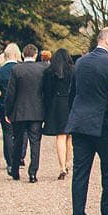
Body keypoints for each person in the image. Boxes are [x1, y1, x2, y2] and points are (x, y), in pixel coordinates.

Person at [64, 28, 108, 215]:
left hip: (81, 123)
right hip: (105, 125)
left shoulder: (81, 62)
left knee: (80, 174)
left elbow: (72, 93)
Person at [3, 44, 49, 182]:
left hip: (20, 110)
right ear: (35, 55)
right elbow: (46, 92)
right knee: (35, 142)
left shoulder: (16, 69)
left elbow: (11, 93)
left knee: (18, 141)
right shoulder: (43, 69)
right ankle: (33, 173)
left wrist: (8, 111)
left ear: (23, 55)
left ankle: (15, 170)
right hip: (37, 111)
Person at [41, 47, 76, 181]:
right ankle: (68, 163)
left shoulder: (49, 72)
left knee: (60, 136)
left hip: (56, 104)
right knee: (69, 137)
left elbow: (46, 92)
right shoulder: (73, 71)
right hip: (70, 103)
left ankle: (61, 166)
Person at [0, 42, 21, 164]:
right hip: (21, 105)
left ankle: (10, 161)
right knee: (21, 133)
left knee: (8, 134)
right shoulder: (23, 69)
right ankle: (20, 156)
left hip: (4, 104)